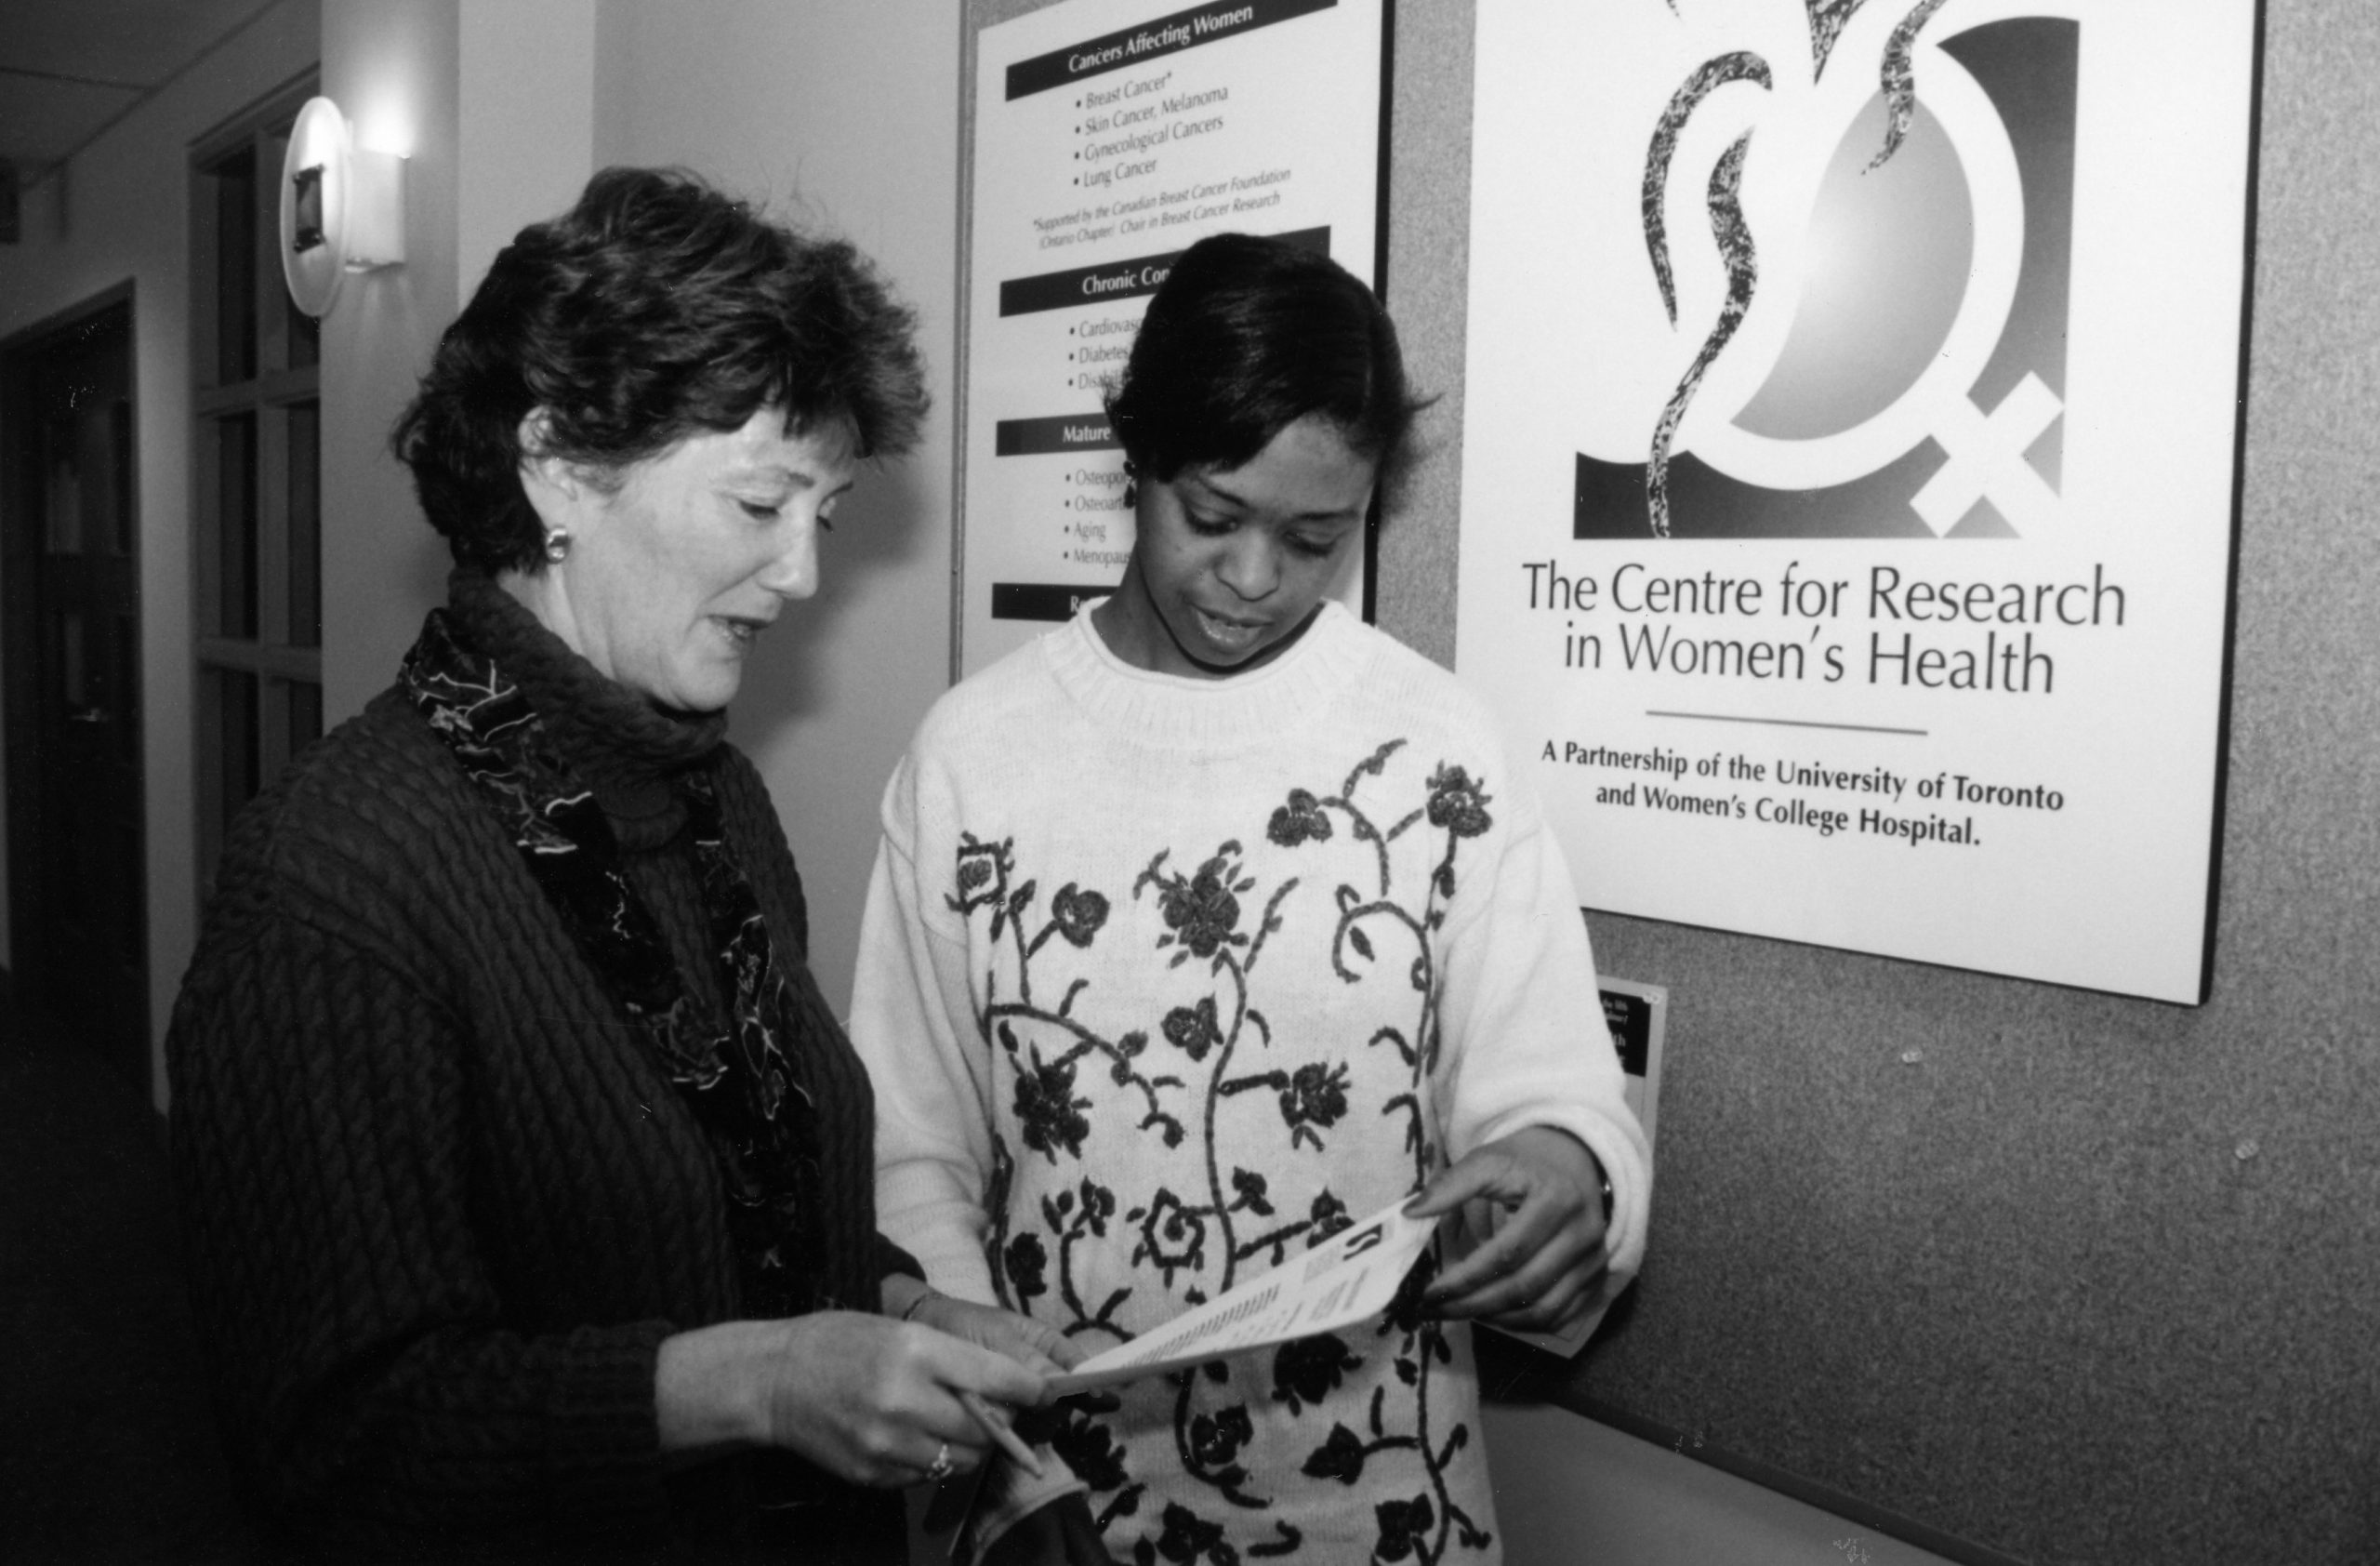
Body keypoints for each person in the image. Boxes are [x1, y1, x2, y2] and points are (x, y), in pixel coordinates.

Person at [166, 167, 1077, 1565]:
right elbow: (337, 1444)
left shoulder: (718, 805)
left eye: (823, 518)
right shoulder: (336, 880)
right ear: (556, 465)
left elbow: (749, 1212)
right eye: (762, 502)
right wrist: (761, 1385)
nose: (802, 579)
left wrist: (899, 1315)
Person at [847, 232, 1652, 1564]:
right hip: (1064, 1497)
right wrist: (990, 1443)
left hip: (1385, 1498)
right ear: (1137, 463)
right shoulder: (973, 758)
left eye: (1315, 537)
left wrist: (1570, 1168)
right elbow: (906, 1150)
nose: (1254, 578)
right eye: (1211, 516)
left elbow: (1558, 1094)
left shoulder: (1437, 746)